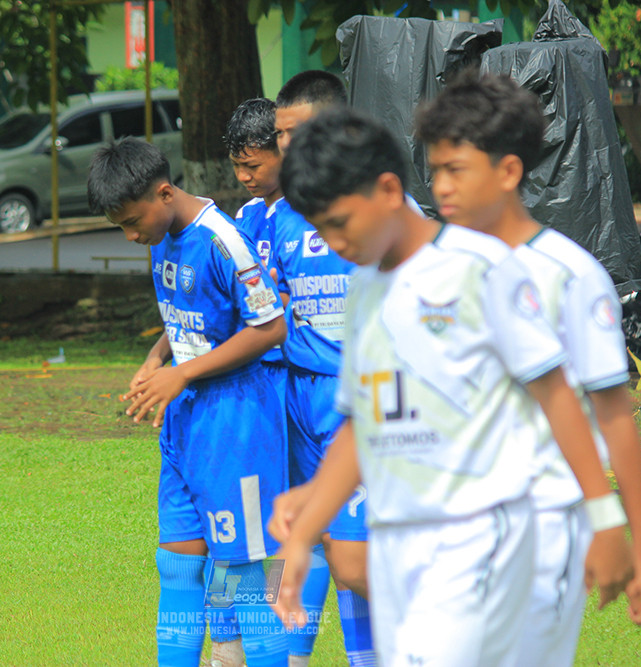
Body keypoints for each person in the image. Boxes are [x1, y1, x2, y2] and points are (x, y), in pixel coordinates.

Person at [269, 107, 634, 666]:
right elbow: (364, 425)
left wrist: (604, 518)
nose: (333, 241)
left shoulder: (480, 268)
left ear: (389, 189)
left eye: (340, 222)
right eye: (319, 228)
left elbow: (558, 396)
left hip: (482, 536)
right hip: (397, 542)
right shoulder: (364, 289)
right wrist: (303, 533)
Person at [415, 71, 641, 665]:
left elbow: (614, 417)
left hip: (543, 528)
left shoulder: (570, 276)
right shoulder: (423, 270)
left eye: (457, 169)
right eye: (434, 170)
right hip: (442, 526)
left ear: (508, 171)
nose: (440, 186)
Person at [87, 137, 290, 667]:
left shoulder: (223, 240)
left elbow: (269, 328)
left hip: (236, 415)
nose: (132, 236)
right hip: (185, 419)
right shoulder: (158, 234)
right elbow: (188, 312)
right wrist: (159, 356)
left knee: (249, 571)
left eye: (133, 221)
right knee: (176, 562)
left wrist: (182, 372)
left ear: (163, 192)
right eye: (121, 227)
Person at [271, 70, 375, 667]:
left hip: (362, 406)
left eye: (296, 133)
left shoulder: (385, 207)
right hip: (298, 405)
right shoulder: (274, 218)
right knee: (307, 537)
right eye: (279, 135)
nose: (285, 146)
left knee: (353, 556)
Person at [204, 97, 290, 667]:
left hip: (292, 391)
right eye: (236, 166)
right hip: (247, 396)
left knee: (282, 531)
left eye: (252, 166)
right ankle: (226, 650)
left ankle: (284, 651)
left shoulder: (313, 220)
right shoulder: (245, 220)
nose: (242, 177)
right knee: (234, 529)